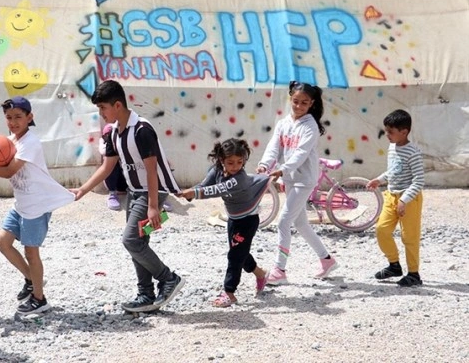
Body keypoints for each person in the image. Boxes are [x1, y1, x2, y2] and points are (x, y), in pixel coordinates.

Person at [0, 96, 74, 316]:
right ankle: (32, 279)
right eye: (9, 118)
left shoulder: (30, 143)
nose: (13, 122)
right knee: (3, 243)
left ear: (30, 117)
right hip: (22, 204)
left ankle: (40, 299)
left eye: (18, 117)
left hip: (36, 205)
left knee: (31, 252)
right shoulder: (11, 141)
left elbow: (9, 171)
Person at [71, 79, 184, 313]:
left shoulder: (142, 130)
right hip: (134, 193)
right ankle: (146, 295)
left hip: (152, 192)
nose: (101, 114)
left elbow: (152, 171)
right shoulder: (113, 133)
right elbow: (107, 166)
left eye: (103, 108)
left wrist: (154, 206)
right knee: (139, 243)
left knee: (130, 240)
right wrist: (83, 189)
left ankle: (169, 278)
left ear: (118, 105)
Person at [256, 81, 338, 285]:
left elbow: (301, 153)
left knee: (284, 221)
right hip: (290, 179)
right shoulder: (283, 123)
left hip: (304, 180)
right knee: (300, 223)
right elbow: (273, 147)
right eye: (295, 101)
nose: (299, 106)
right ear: (290, 98)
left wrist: (283, 169)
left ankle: (279, 269)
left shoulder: (310, 126)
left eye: (304, 103)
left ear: (311, 104)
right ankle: (327, 260)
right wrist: (264, 165)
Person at [178, 139, 270, 307]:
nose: (235, 166)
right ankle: (260, 273)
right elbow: (205, 185)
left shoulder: (239, 178)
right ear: (221, 160)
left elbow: (215, 190)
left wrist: (196, 193)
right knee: (239, 252)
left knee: (235, 255)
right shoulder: (217, 170)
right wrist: (190, 193)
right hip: (233, 219)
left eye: (240, 162)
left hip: (248, 220)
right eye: (230, 162)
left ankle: (229, 292)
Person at [366, 109, 425, 287]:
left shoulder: (413, 152)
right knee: (381, 230)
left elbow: (419, 180)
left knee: (409, 237)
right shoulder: (392, 147)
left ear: (404, 132)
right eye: (386, 131)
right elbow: (394, 171)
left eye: (390, 132)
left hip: (409, 201)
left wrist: (404, 200)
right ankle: (394, 265)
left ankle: (414, 274)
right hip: (391, 197)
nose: (387, 135)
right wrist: (380, 179)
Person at [99, 123, 128, 210]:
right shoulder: (104, 143)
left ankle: (156, 195)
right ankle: (112, 193)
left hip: (127, 182)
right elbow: (103, 151)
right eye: (108, 136)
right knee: (112, 162)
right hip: (114, 181)